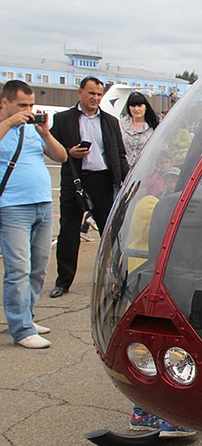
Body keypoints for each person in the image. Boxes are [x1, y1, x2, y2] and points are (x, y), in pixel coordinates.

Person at [0, 81, 67, 349]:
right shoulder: (6, 128)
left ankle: (27, 315)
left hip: (42, 203)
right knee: (18, 269)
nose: (28, 111)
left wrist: (45, 133)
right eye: (22, 106)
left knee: (38, 267)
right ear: (4, 102)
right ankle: (21, 328)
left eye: (31, 106)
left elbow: (61, 156)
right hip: (12, 206)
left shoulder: (32, 130)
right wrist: (10, 122)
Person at [49, 76, 129, 298]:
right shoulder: (63, 119)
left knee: (109, 232)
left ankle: (117, 277)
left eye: (98, 94)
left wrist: (126, 179)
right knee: (69, 232)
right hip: (74, 180)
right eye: (91, 93)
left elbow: (119, 154)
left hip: (102, 181)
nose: (95, 98)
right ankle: (63, 281)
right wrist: (69, 152)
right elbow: (51, 147)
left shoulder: (110, 122)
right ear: (80, 93)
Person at [119, 92, 160, 169]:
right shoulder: (120, 124)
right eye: (133, 106)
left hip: (145, 169)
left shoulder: (154, 127)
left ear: (146, 107)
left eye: (140, 106)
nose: (136, 109)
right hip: (124, 169)